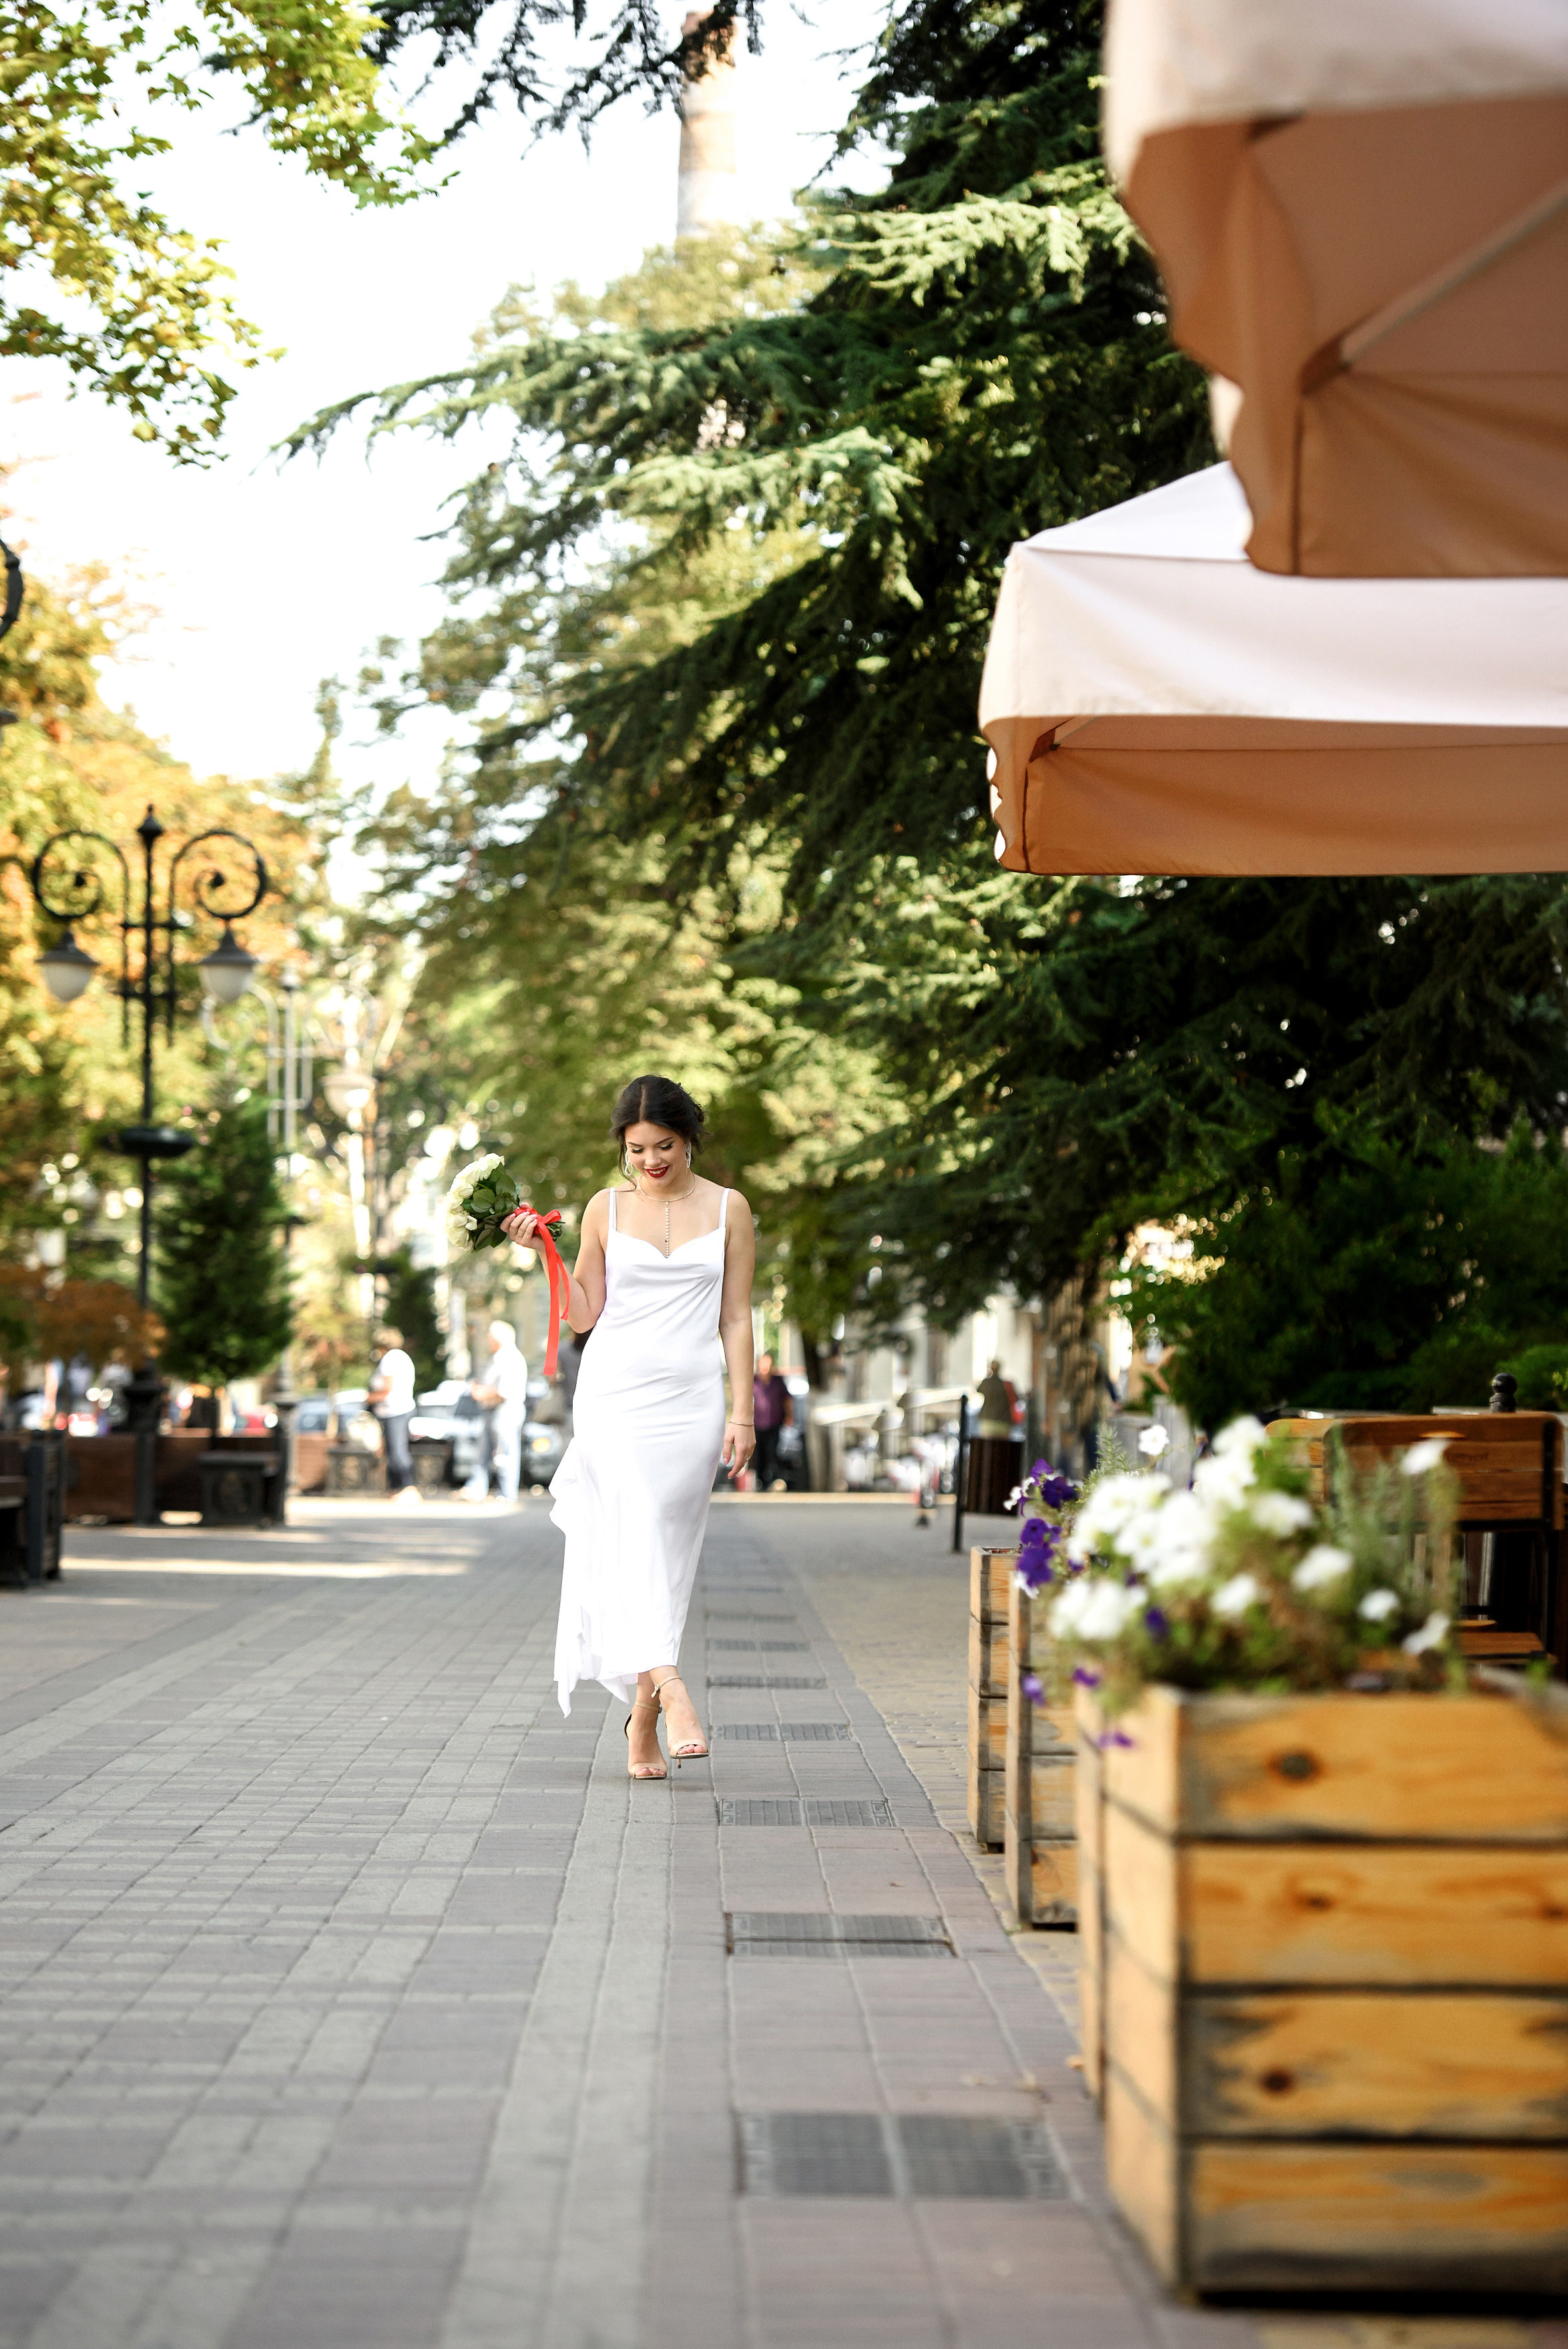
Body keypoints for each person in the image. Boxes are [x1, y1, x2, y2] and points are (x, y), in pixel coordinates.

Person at [504, 1073, 755, 1780]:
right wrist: (544, 1253)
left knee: (669, 1553)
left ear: (689, 1139)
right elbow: (584, 1313)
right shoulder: (604, 1210)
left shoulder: (731, 1209)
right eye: (637, 1147)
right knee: (640, 1525)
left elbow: (737, 1317)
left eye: (664, 1146)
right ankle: (674, 1693)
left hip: (694, 1403)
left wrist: (743, 1411)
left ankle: (639, 1722)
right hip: (614, 1397)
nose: (650, 1161)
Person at [472, 1319, 529, 1502]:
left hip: (505, 1410)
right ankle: (478, 1489)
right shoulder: (500, 1356)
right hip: (494, 1410)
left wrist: (480, 1392)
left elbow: (504, 1391)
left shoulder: (509, 1357)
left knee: (505, 1452)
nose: (489, 1340)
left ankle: (506, 1492)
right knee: (486, 1452)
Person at [368, 1328, 419, 1506]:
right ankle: (396, 1488)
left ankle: (408, 1487)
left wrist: (369, 1398)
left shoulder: (390, 1359)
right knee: (393, 1450)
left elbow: (387, 1389)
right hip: (401, 1408)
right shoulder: (403, 1357)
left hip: (394, 1410)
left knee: (397, 1451)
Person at [752, 1352, 793, 1493]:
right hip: (757, 1423)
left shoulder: (778, 1381)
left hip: (775, 1422)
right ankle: (761, 1481)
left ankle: (774, 1480)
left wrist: (789, 1416)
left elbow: (787, 1399)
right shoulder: (754, 1381)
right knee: (760, 1453)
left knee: (773, 1452)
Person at [977, 1358, 1017, 1440]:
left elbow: (978, 1389)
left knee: (987, 1448)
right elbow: (1016, 1398)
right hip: (1004, 1421)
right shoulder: (1006, 1385)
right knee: (1002, 1448)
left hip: (987, 1420)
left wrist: (988, 1375)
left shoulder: (986, 1383)